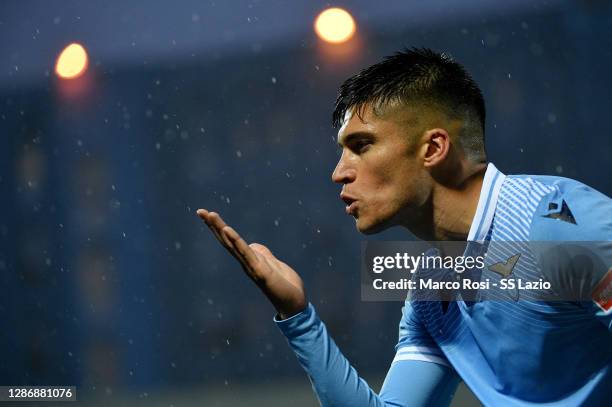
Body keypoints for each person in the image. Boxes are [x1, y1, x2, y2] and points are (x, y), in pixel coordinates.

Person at [196, 48, 611, 406]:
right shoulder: (431, 285)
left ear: (432, 148)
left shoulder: (561, 227)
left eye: (361, 146)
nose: (339, 173)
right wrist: (297, 315)